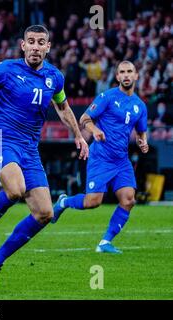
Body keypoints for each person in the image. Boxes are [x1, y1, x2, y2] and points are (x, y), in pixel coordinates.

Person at [0, 25, 89, 290]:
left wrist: (79, 136)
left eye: (41, 42)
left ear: (48, 47)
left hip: (30, 149)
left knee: (45, 213)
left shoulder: (54, 77)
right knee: (15, 190)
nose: (35, 46)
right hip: (1, 140)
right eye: (31, 42)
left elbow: (63, 107)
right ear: (23, 45)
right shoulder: (6, 69)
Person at [52, 61, 149, 254]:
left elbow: (140, 132)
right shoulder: (107, 97)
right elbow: (84, 119)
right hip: (101, 158)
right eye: (122, 72)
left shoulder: (140, 106)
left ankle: (104, 242)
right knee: (93, 202)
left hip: (121, 160)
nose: (126, 75)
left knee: (129, 199)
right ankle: (64, 202)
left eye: (130, 72)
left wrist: (142, 142)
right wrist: (95, 130)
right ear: (118, 77)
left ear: (136, 76)